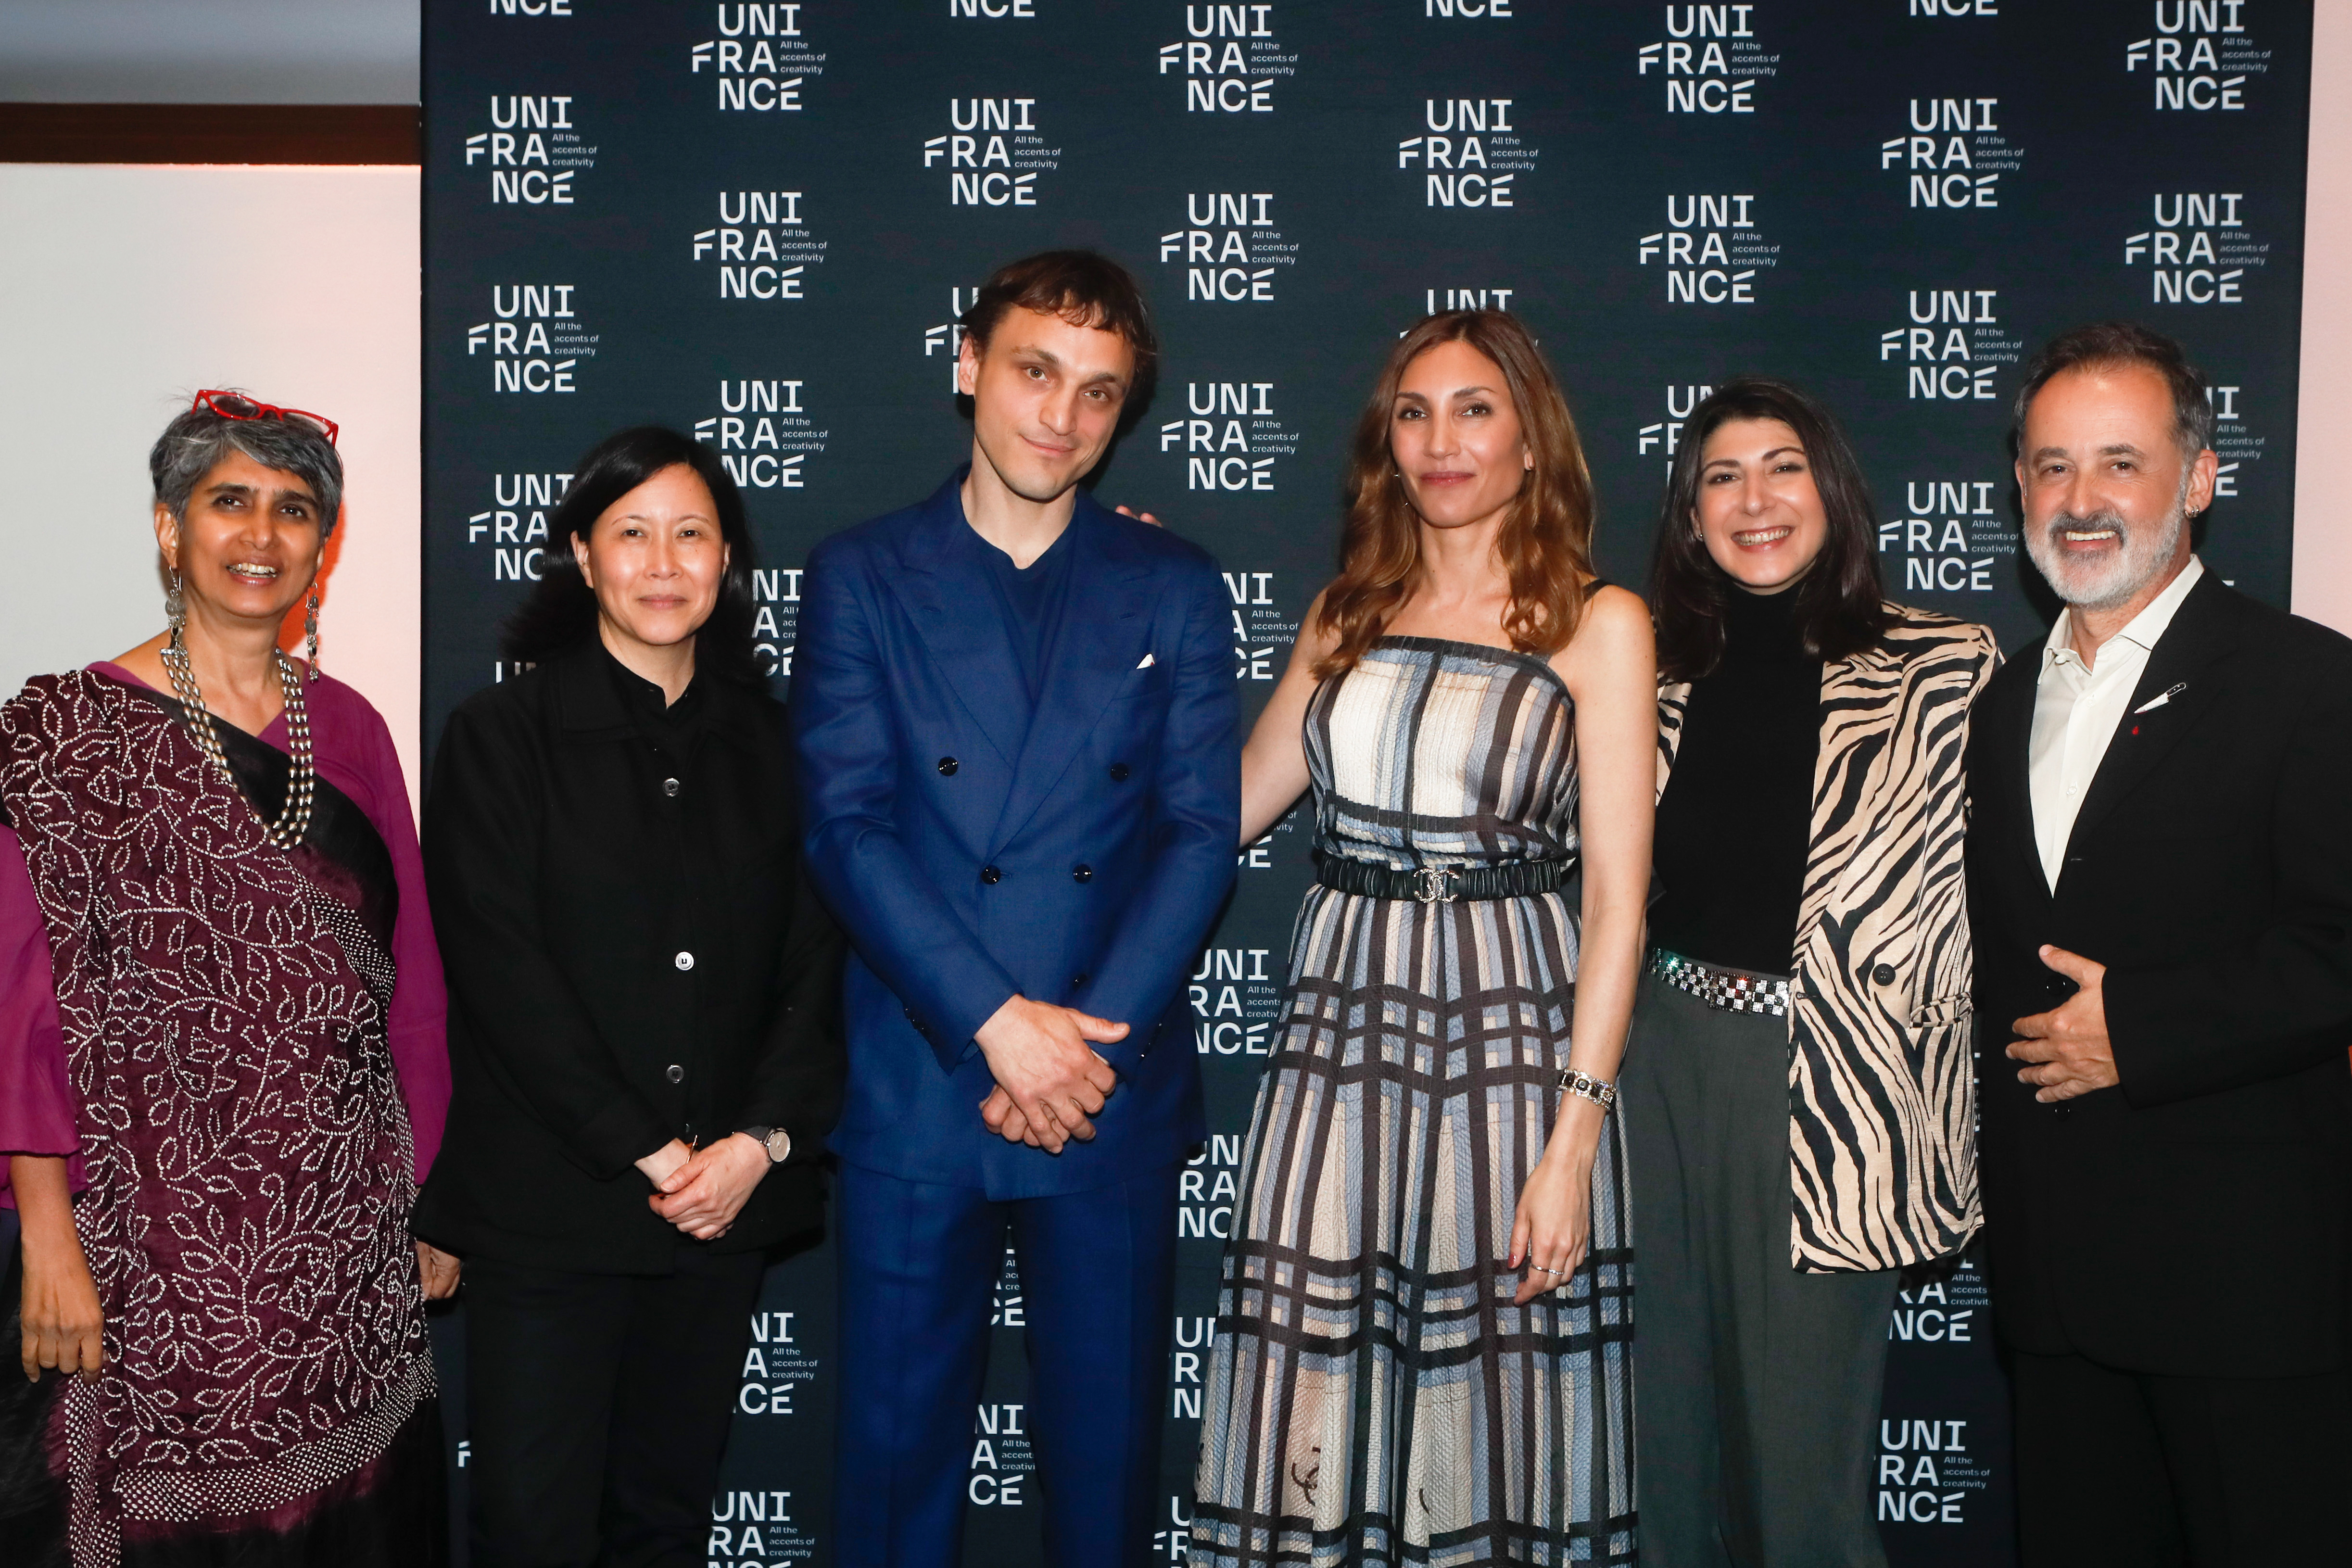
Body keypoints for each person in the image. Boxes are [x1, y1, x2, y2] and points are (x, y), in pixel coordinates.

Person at [793, 249, 1238, 1568]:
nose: (1061, 414)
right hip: (926, 1079)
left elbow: (1200, 830)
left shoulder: (1174, 586)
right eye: (1037, 371)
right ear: (969, 364)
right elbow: (845, 824)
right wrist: (998, 1026)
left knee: (1105, 1482)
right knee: (889, 1478)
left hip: (1106, 1090)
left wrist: (1080, 1045)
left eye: (1099, 392)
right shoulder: (862, 573)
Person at [1191, 310, 1655, 1564]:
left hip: (1508, 1053)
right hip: (1337, 1048)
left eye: (1473, 408)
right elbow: (1229, 808)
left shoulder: (1595, 624)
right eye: (1413, 411)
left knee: (1497, 1407)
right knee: (1314, 1380)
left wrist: (1574, 1137)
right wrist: (1117, 612)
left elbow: (1616, 896)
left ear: (1530, 439)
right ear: (1384, 444)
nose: (1440, 440)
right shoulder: (1350, 610)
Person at [0, 391, 456, 1567]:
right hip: (141, 1241)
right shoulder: (64, 736)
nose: (262, 536)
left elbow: (408, 986)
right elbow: (22, 1004)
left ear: (325, 544)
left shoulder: (349, 727)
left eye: (294, 510)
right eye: (231, 501)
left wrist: (427, 1195)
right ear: (170, 528)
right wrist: (48, 1237)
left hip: (341, 1232)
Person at [412, 427, 845, 1568]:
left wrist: (757, 1140)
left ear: (727, 562)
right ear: (583, 558)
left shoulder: (781, 746)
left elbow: (816, 964)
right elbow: (501, 974)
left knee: (665, 1523)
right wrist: (652, 1149)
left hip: (725, 1212)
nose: (664, 563)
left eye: (692, 534)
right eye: (633, 534)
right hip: (553, 1213)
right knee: (532, 1530)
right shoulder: (500, 738)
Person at [1968, 322, 2352, 1566]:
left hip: (2241, 1284)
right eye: (2050, 466)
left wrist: (2135, 1030)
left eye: (2119, 464)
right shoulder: (2002, 698)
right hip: (2054, 1285)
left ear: (2197, 479)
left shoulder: (2307, 683)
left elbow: (2336, 947)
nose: (2080, 502)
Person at [1625, 379, 1996, 1568]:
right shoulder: (1649, 667)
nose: (1755, 500)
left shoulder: (1947, 667)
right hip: (1657, 1064)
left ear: (1831, 489)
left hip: (1836, 1086)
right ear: (1690, 515)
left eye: (1782, 466)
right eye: (1721, 477)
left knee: (1801, 1478)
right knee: (1660, 1452)